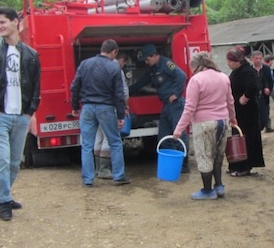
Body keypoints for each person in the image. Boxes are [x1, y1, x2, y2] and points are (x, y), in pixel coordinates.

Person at [0, 7, 41, 221]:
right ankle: (5, 201)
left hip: (21, 116)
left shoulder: (31, 55)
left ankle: (1, 194)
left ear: (15, 22)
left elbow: (36, 86)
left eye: (3, 22)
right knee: (2, 160)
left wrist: (30, 111)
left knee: (14, 162)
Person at [172, 52, 236, 199]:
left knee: (204, 155)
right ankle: (219, 186)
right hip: (222, 121)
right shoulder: (223, 77)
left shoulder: (196, 80)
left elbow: (190, 108)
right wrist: (233, 118)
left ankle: (207, 191)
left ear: (196, 66)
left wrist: (179, 129)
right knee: (218, 155)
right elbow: (230, 101)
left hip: (203, 123)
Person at [71, 39, 129, 188]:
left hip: (88, 107)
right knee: (115, 142)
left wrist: (75, 106)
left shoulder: (85, 64)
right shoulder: (114, 68)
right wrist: (121, 116)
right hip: (106, 108)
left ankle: (88, 179)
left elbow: (75, 86)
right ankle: (119, 176)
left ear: (101, 49)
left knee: (87, 145)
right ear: (114, 52)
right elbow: (119, 94)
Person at [129, 44, 189, 173]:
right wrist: (128, 91)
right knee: (163, 136)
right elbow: (143, 81)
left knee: (179, 135)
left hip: (175, 105)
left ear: (155, 55)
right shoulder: (153, 68)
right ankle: (173, 160)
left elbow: (182, 76)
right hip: (166, 106)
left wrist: (177, 94)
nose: (146, 62)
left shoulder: (166, 64)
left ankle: (184, 165)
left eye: (147, 59)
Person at [226, 46, 265, 177]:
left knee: (246, 137)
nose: (229, 64)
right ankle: (236, 164)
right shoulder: (236, 71)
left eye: (231, 61)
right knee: (237, 136)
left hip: (248, 111)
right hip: (238, 111)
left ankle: (245, 166)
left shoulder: (247, 71)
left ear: (238, 61)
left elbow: (253, 86)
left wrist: (245, 97)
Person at [94, 51, 130, 179]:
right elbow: (123, 92)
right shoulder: (115, 69)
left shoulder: (95, 66)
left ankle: (98, 169)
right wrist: (124, 107)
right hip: (110, 107)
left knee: (98, 137)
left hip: (95, 107)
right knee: (108, 138)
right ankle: (104, 170)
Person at [251, 50, 274, 133]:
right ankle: (257, 132)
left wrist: (268, 89)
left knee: (264, 116)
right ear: (252, 59)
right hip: (254, 97)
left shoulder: (266, 69)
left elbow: (270, 81)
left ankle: (262, 127)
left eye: (260, 58)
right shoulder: (250, 70)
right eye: (256, 58)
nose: (258, 60)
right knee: (255, 116)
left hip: (264, 97)